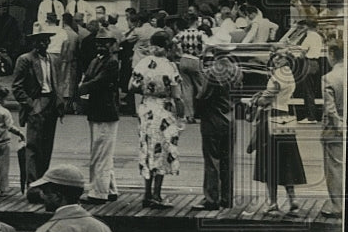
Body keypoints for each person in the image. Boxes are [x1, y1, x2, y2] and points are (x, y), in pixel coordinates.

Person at [129, 30, 184, 208]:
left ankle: (146, 194)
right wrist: (181, 115)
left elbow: (132, 86)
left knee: (147, 148)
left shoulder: (142, 63)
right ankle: (157, 195)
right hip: (164, 109)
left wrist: (148, 90)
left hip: (146, 108)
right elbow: (177, 94)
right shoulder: (170, 66)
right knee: (163, 148)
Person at [248, 50, 306, 215]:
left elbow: (266, 98)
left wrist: (257, 99)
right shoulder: (289, 74)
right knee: (287, 157)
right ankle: (292, 198)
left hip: (272, 115)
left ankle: (272, 202)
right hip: (286, 116)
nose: (274, 60)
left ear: (283, 60)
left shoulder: (277, 76)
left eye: (277, 58)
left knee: (270, 160)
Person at [11, 25, 62, 198]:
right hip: (37, 102)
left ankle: (42, 181)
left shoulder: (52, 59)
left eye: (47, 39)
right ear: (34, 42)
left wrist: (59, 102)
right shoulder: (25, 60)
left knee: (47, 146)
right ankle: (32, 185)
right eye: (41, 40)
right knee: (33, 146)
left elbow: (56, 83)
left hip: (51, 104)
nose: (45, 43)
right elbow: (17, 87)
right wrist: (30, 105)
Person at [190, 48, 243, 211]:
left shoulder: (211, 73)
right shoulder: (237, 71)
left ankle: (211, 198)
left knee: (212, 159)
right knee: (228, 159)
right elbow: (238, 95)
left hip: (212, 118)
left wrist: (196, 110)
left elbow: (202, 96)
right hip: (230, 117)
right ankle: (227, 198)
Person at [78, 32, 121, 204]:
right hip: (96, 110)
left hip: (106, 111)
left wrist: (82, 88)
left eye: (105, 43)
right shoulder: (96, 60)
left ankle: (98, 192)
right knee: (101, 150)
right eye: (98, 43)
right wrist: (84, 85)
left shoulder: (112, 62)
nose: (101, 46)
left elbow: (99, 81)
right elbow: (89, 77)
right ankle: (110, 188)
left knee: (101, 152)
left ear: (112, 45)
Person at [319, 43, 344, 218]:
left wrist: (339, 126)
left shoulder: (329, 77)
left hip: (335, 129)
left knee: (334, 167)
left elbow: (330, 108)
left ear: (332, 54)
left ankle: (337, 206)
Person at [174, 12, 208, 123]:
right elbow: (208, 44)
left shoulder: (182, 33)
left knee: (186, 88)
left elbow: (174, 42)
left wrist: (179, 51)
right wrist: (202, 53)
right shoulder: (201, 34)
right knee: (202, 87)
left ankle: (189, 115)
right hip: (195, 59)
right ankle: (204, 113)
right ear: (195, 22)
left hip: (183, 59)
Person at [293, 18, 325, 123]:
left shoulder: (309, 37)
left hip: (308, 64)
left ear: (306, 27)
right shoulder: (318, 37)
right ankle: (313, 116)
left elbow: (302, 53)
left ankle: (311, 117)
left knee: (308, 91)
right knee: (312, 91)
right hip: (316, 64)